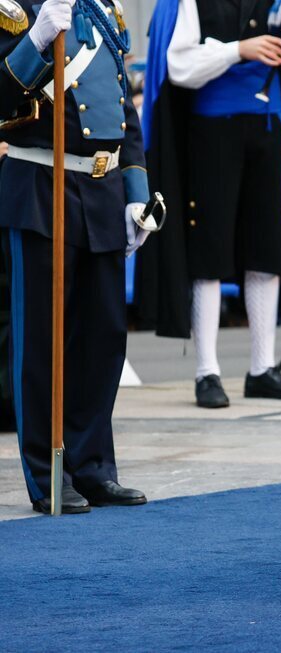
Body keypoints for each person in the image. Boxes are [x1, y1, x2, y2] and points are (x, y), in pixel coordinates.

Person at [140, 0, 281, 407]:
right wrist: (238, 49)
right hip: (211, 129)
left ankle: (262, 368)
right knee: (208, 249)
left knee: (268, 248)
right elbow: (178, 66)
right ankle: (206, 372)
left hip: (269, 125)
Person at [0, 0, 149, 512]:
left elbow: (124, 108)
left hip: (102, 190)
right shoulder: (15, 10)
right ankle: (49, 473)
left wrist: (136, 190)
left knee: (103, 337)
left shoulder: (104, 8)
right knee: (42, 342)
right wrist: (36, 40)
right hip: (42, 184)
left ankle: (93, 468)